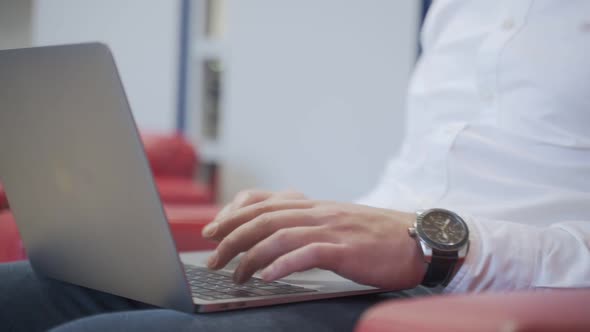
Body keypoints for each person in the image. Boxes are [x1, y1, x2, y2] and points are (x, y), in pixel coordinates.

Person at [1, 1, 589, 331]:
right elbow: (426, 171)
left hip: (484, 295)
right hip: (363, 280)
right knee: (14, 292)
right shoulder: (460, 10)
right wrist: (327, 226)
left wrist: (439, 249)